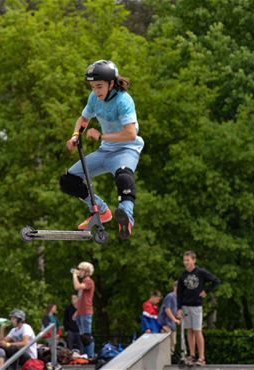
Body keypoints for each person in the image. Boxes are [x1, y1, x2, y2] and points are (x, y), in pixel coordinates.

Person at [59, 59, 144, 239]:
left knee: (123, 176)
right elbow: (83, 119)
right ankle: (101, 210)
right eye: (92, 87)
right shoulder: (94, 98)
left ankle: (126, 216)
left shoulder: (124, 101)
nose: (96, 92)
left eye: (99, 87)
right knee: (68, 181)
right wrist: (75, 135)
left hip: (126, 150)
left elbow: (130, 134)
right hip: (105, 151)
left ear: (111, 83)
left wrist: (100, 136)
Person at [176, 251, 220, 367]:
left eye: (188, 260)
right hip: (186, 306)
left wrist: (206, 291)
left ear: (194, 260)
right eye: (184, 260)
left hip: (196, 306)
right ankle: (192, 355)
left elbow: (216, 281)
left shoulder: (200, 272)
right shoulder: (183, 275)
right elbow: (179, 293)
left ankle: (201, 357)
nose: (186, 263)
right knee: (189, 331)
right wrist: (179, 308)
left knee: (197, 331)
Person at [72, 261, 96, 358]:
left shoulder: (88, 281)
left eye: (81, 270)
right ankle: (86, 354)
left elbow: (77, 287)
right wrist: (77, 311)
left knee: (87, 335)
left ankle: (90, 355)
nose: (79, 272)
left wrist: (74, 276)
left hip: (86, 312)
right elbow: (80, 299)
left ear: (86, 271)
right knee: (82, 336)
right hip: (81, 312)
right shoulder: (84, 282)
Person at [158, 281, 180, 356]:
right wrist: (175, 319)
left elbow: (175, 312)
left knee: (173, 344)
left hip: (172, 325)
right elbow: (167, 310)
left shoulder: (178, 299)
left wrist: (178, 316)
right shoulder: (170, 296)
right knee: (165, 344)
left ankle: (168, 361)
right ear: (175, 287)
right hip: (165, 324)